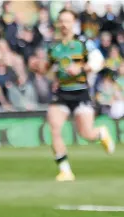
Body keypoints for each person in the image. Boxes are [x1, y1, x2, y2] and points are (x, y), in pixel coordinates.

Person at [46, 10, 115, 182]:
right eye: (61, 21)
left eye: (67, 21)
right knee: (54, 128)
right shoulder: (54, 46)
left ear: (74, 23)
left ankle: (100, 134)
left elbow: (99, 62)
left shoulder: (83, 42)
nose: (63, 25)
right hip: (61, 93)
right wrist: (40, 68)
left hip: (81, 92)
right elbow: (49, 69)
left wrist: (81, 68)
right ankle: (65, 170)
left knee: (86, 133)